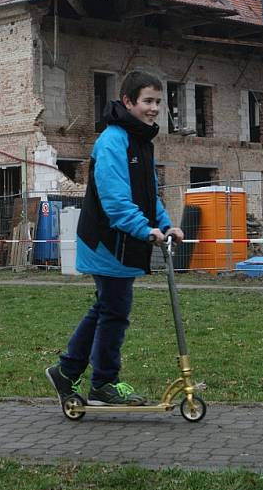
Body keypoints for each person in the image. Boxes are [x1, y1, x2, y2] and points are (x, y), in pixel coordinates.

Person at [46, 70, 183, 406]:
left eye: (158, 102)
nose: (154, 109)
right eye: (147, 101)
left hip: (122, 241)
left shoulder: (139, 140)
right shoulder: (112, 140)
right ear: (127, 101)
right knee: (114, 310)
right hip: (107, 240)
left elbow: (149, 195)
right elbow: (116, 200)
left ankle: (67, 370)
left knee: (107, 307)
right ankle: (103, 382)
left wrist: (166, 225)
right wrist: (143, 228)